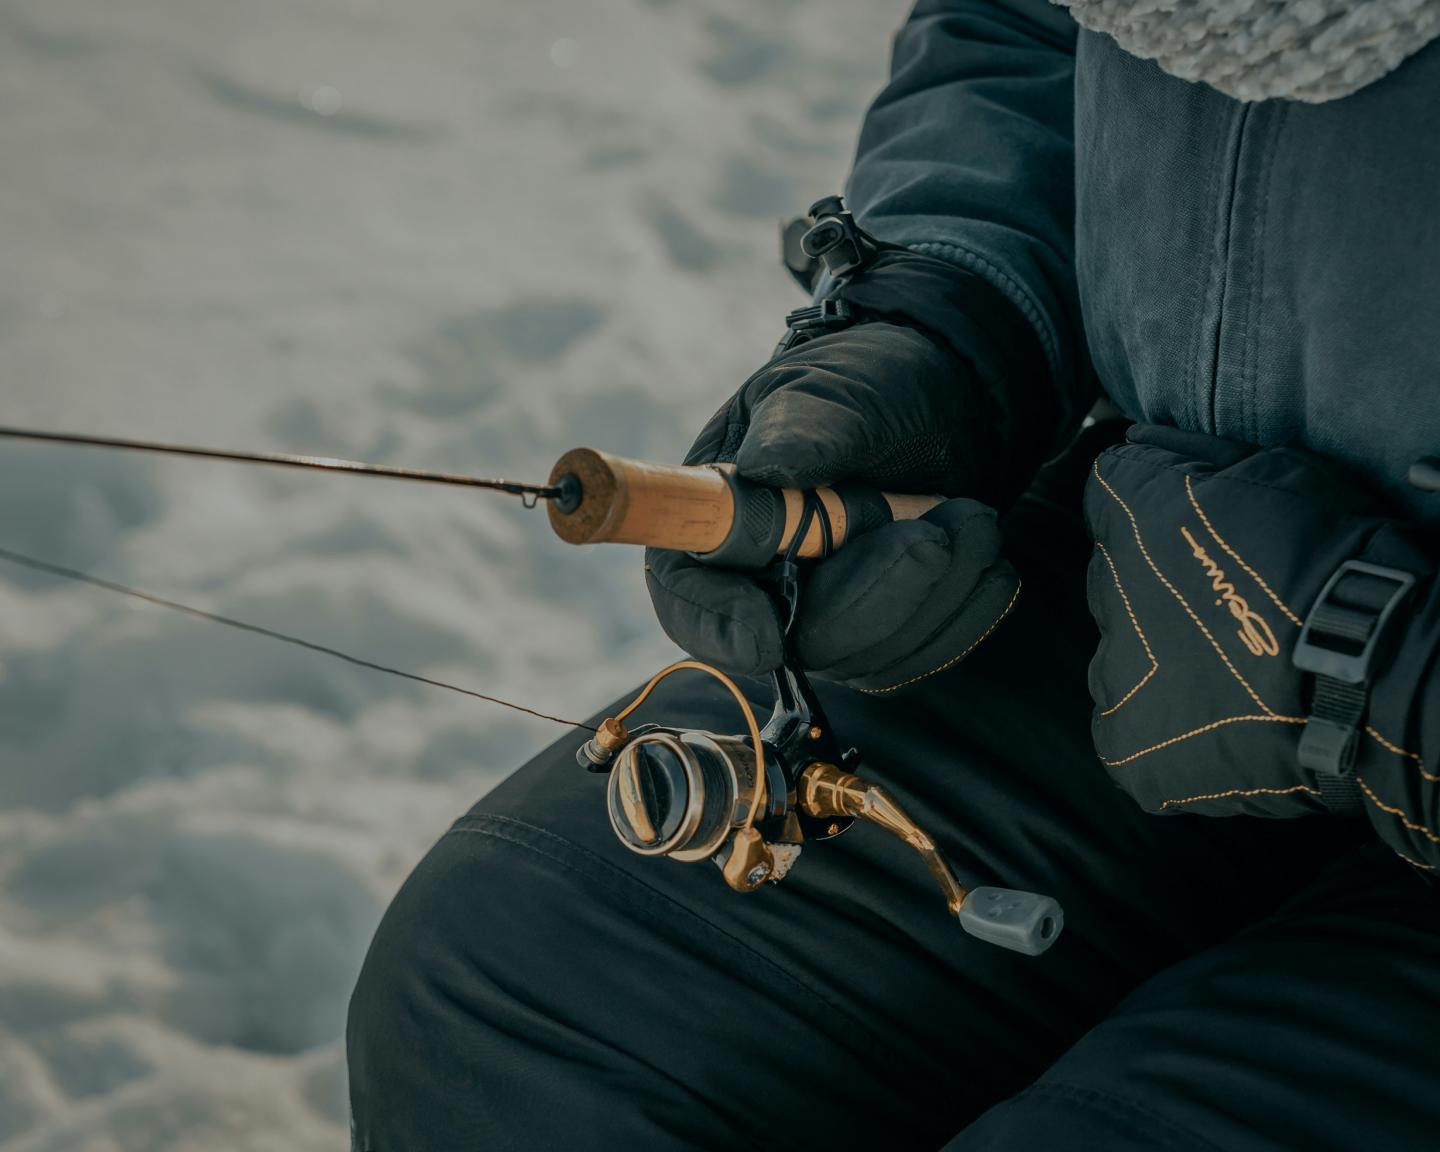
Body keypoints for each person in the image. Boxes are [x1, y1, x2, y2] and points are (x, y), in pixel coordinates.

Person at [346, 3, 1440, 1148]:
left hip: (1372, 663)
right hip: (1170, 552)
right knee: (512, 992)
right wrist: (939, 325)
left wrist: (1392, 678)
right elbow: (1019, 24)